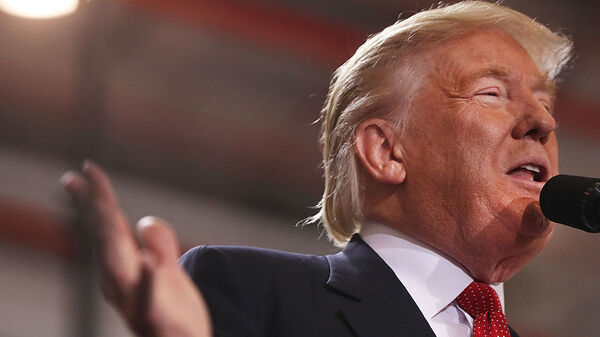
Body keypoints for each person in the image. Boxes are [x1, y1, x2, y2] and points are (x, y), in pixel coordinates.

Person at [61, 1, 573, 336]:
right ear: (385, 152)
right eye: (491, 93)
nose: (542, 121)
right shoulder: (252, 291)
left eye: (544, 102)